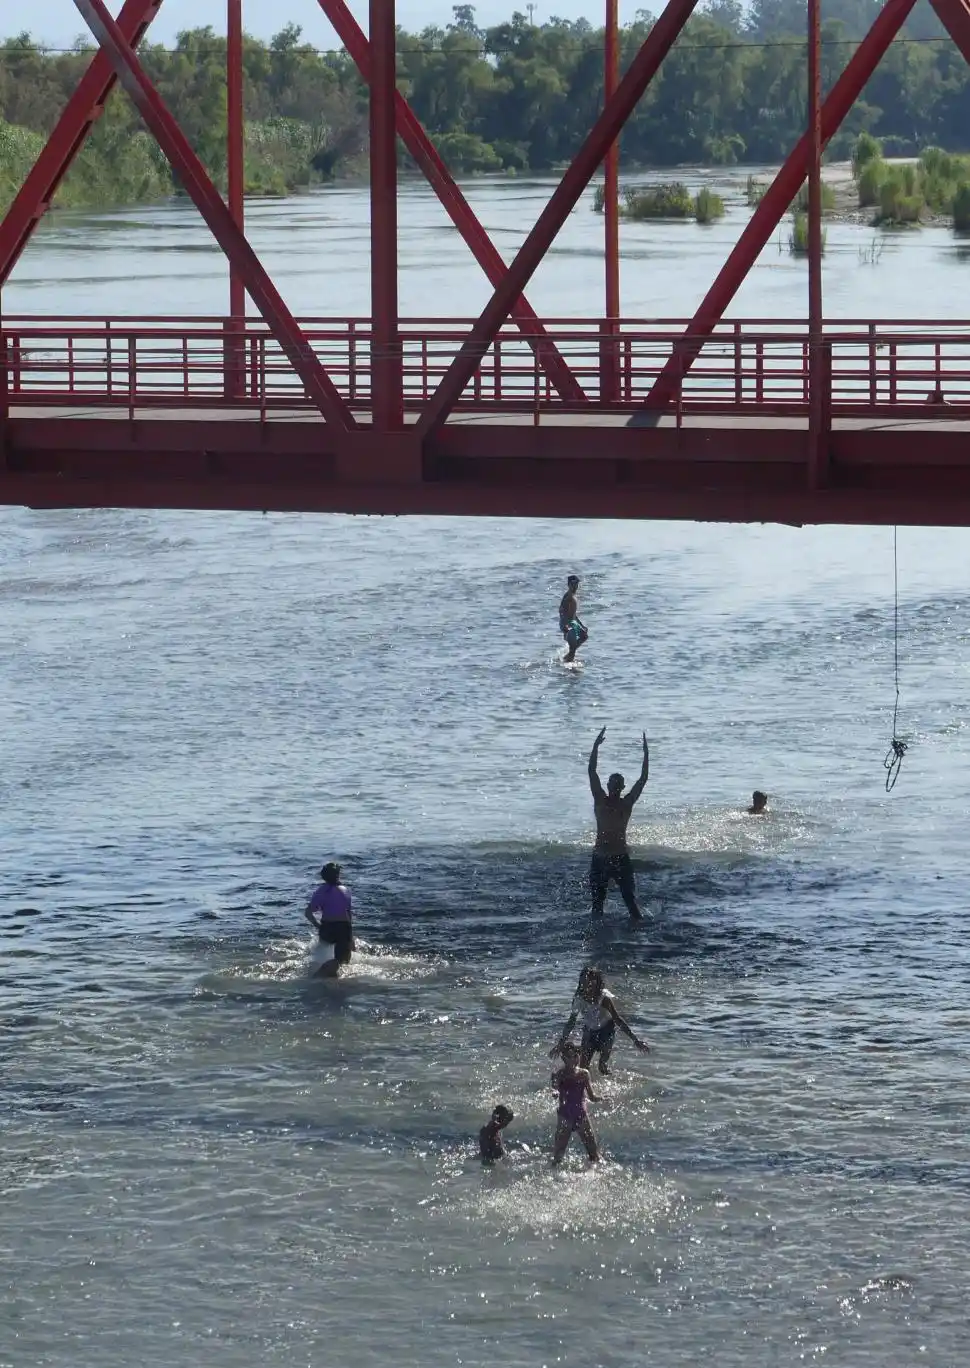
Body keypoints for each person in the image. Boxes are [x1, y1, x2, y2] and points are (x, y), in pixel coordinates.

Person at [588, 726, 650, 919]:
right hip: (599, 857)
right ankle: (597, 940)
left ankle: (637, 937)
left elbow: (643, 779)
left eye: (617, 784)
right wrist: (596, 746)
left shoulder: (626, 804)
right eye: (611, 783)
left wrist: (646, 754)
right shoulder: (600, 800)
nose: (614, 786)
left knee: (631, 904)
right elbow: (591, 771)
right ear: (607, 786)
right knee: (597, 907)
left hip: (620, 857)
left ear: (622, 787)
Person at [550, 967, 651, 1075]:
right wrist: (561, 1043)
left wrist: (635, 1040)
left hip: (606, 1031)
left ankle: (610, 1083)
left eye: (590, 982)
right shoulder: (578, 999)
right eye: (583, 982)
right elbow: (571, 1022)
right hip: (589, 1031)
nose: (587, 986)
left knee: (602, 1067)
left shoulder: (603, 998)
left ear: (597, 983)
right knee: (583, 1068)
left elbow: (617, 1019)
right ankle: (584, 1087)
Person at [551, 1041, 601, 1164]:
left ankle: (594, 1177)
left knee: (594, 1154)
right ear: (563, 1058)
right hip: (565, 1117)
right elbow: (554, 1088)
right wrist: (555, 1092)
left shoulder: (584, 1073)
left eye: (576, 1055)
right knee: (558, 1156)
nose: (575, 1059)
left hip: (581, 1115)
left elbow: (592, 1096)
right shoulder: (559, 1074)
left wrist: (603, 1098)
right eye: (570, 1056)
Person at [304, 861, 355, 978]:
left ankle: (322, 972)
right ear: (338, 875)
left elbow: (308, 913)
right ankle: (335, 970)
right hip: (344, 928)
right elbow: (348, 915)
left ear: (323, 876)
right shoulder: (346, 890)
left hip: (328, 928)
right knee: (344, 963)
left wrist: (318, 926)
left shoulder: (321, 891)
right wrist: (350, 938)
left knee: (319, 956)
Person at [558, 574, 588, 663]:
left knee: (584, 636)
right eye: (573, 584)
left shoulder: (574, 595)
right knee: (573, 649)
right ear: (569, 585)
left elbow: (573, 614)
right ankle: (568, 669)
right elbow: (561, 610)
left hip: (573, 622)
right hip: (567, 624)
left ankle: (567, 657)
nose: (575, 586)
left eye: (576, 584)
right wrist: (566, 625)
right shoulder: (568, 596)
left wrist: (581, 625)